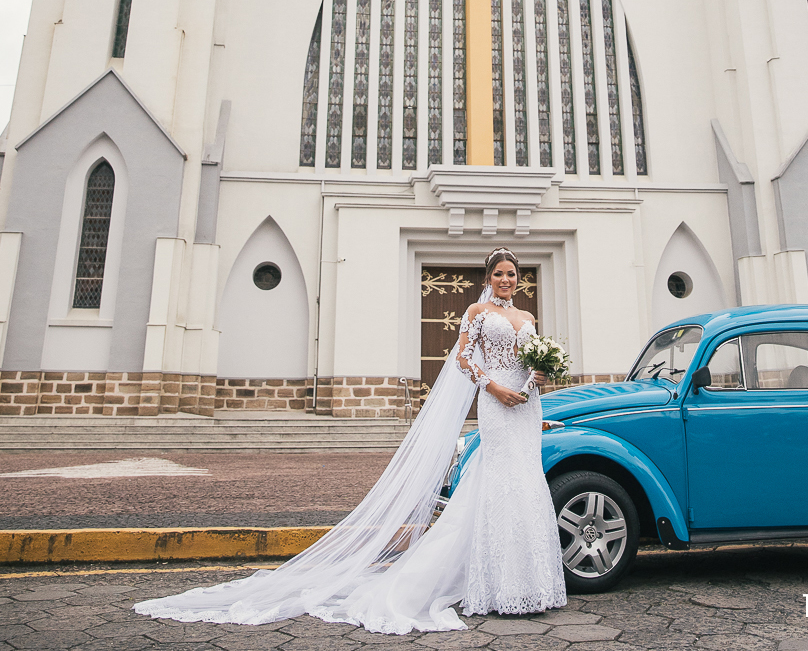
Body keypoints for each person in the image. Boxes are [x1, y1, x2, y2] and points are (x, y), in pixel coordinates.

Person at [134, 247, 566, 633]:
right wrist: (495, 390)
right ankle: (494, 587)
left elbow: (533, 362)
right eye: (499, 274)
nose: (507, 281)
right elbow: (466, 363)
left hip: (526, 405)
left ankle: (531, 585)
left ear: (520, 279)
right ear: (487, 278)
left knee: (526, 482)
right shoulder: (476, 313)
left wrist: (535, 379)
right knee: (499, 485)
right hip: (495, 404)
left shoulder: (527, 318)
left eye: (513, 274)